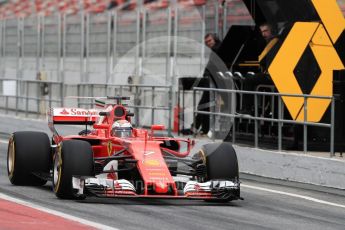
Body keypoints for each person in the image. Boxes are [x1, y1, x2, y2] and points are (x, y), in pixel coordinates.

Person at [192, 33, 222, 135]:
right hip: (212, 81)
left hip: (214, 82)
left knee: (203, 105)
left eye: (210, 41)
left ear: (215, 39)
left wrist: (206, 76)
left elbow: (212, 67)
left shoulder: (217, 49)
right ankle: (201, 128)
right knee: (204, 105)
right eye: (206, 42)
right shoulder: (216, 50)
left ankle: (197, 127)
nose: (208, 43)